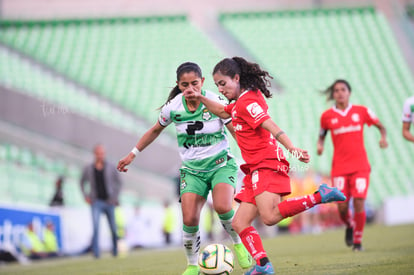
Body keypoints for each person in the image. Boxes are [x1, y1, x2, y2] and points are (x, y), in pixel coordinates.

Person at [184, 57, 346, 275]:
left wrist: (292, 147)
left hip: (266, 163)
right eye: (218, 86)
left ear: (237, 78)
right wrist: (200, 96)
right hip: (254, 169)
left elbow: (270, 124)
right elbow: (223, 112)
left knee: (268, 217)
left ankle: (320, 196)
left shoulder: (247, 103)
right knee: (240, 222)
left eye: (223, 83)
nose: (221, 89)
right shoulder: (241, 102)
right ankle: (263, 265)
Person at [117, 62, 252, 275]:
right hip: (192, 170)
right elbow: (154, 130)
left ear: (202, 82)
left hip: (220, 164)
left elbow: (234, 129)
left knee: (223, 207)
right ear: (179, 85)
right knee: (189, 219)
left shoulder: (215, 101)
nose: (190, 89)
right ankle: (192, 265)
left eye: (195, 84)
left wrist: (251, 156)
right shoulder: (173, 107)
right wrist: (132, 153)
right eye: (185, 84)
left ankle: (238, 243)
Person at [317, 79, 388, 251]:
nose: (339, 93)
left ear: (349, 92)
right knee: (341, 206)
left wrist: (383, 138)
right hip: (340, 168)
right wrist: (320, 145)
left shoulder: (361, 111)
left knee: (359, 202)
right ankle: (349, 225)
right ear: (333, 95)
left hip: (360, 166)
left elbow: (381, 126)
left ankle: (358, 241)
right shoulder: (327, 116)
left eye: (343, 89)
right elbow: (322, 133)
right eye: (336, 90)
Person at [80, 144, 122, 258]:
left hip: (109, 202)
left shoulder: (110, 166)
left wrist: (115, 198)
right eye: (98, 153)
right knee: (96, 228)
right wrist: (85, 196)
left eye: (102, 153)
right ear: (95, 154)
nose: (100, 155)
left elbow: (119, 182)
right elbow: (82, 182)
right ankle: (96, 254)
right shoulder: (89, 168)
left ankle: (115, 251)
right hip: (96, 202)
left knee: (113, 228)